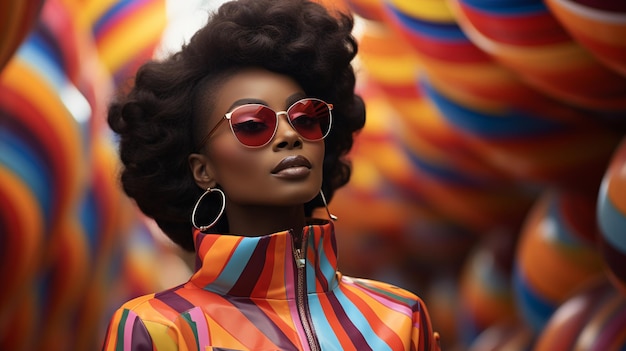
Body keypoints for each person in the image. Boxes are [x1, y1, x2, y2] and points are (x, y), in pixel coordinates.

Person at [101, 0, 441, 349]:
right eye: (252, 124)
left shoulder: (399, 317)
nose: (290, 135)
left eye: (306, 118)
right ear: (202, 170)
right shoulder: (159, 328)